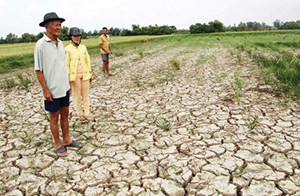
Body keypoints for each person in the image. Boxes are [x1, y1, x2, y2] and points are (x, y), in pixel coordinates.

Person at [34, 12, 80, 157]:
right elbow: (38, 70)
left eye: (60, 25)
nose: (60, 28)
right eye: (56, 25)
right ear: (47, 27)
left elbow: (62, 66)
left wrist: (67, 84)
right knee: (54, 117)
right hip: (52, 90)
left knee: (65, 114)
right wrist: (45, 90)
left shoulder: (60, 44)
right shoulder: (40, 45)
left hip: (63, 87)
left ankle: (67, 140)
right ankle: (58, 144)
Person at [65, 27, 93, 121]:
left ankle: (87, 113)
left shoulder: (83, 48)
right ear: (71, 37)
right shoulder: (67, 49)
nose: (77, 38)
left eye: (78, 36)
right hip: (74, 76)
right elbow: (67, 64)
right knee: (77, 96)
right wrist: (68, 78)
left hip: (85, 75)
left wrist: (90, 73)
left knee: (86, 95)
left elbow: (87, 60)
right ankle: (80, 114)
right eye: (75, 36)